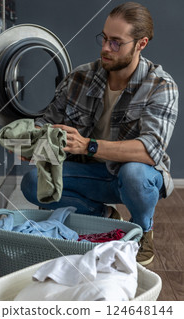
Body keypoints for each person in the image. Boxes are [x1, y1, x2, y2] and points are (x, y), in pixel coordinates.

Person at [20, 2, 179, 266]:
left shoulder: (161, 86)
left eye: (117, 42)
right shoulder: (80, 77)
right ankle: (103, 216)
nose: (106, 48)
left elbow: (149, 150)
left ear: (141, 44)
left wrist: (88, 146)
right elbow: (46, 123)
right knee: (33, 182)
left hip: (131, 178)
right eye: (104, 38)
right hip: (88, 174)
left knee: (135, 173)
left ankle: (142, 230)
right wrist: (31, 142)